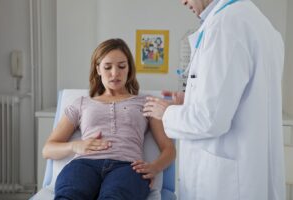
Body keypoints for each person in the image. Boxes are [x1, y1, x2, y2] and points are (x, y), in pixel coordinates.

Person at [143, 0, 286, 199]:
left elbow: (209, 119)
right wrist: (191, 99)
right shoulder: (260, 23)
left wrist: (165, 113)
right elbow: (237, 97)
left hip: (227, 184)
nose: (182, 1)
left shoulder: (225, 26)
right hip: (251, 172)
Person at [42, 38, 176, 200]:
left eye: (121, 66)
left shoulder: (146, 102)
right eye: (107, 67)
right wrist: (75, 146)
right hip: (83, 165)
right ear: (98, 69)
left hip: (128, 167)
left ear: (129, 69)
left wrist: (155, 167)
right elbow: (48, 149)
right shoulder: (81, 103)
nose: (115, 73)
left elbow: (168, 148)